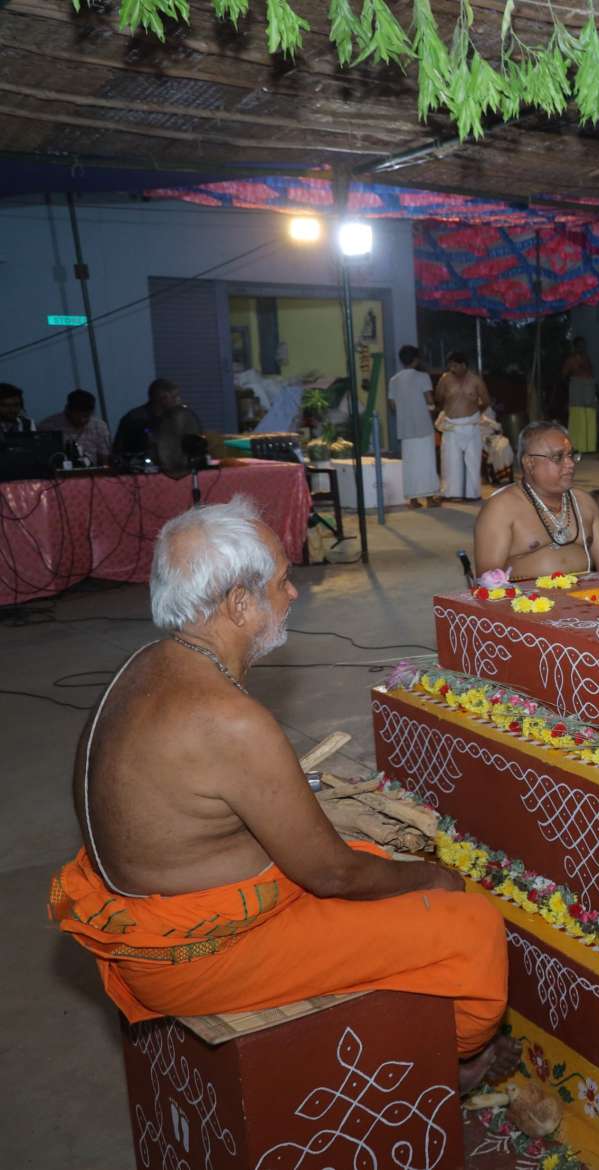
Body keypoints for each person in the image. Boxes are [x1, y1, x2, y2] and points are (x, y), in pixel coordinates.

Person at [47, 500, 513, 1086]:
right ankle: (456, 1063)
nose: (293, 594)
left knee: (381, 865)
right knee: (467, 923)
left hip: (161, 907)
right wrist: (435, 880)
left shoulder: (143, 665)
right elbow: (331, 876)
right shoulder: (229, 719)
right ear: (240, 604)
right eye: (282, 581)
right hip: (202, 953)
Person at [473, 421, 599, 580]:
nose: (570, 464)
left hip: (587, 598)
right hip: (527, 602)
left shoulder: (584, 502)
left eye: (571, 455)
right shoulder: (501, 508)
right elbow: (488, 581)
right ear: (529, 463)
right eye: (558, 457)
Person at [387, 346, 442, 508]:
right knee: (427, 463)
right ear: (416, 359)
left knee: (410, 464)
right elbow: (430, 400)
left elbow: (392, 406)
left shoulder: (394, 380)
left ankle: (413, 500)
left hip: (405, 428)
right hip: (423, 426)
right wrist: (432, 410)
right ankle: (430, 498)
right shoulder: (423, 376)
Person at [114, 378, 206, 471]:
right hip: (138, 473)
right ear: (164, 398)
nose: (179, 401)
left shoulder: (173, 418)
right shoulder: (136, 419)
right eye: (176, 397)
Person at [434, 352, 491, 501]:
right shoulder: (445, 379)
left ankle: (473, 494)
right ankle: (450, 493)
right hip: (451, 425)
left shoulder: (476, 380)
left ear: (463, 365)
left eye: (454, 365)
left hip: (470, 424)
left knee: (473, 460)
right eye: (450, 365)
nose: (451, 368)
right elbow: (438, 398)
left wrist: (475, 412)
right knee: (450, 460)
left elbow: (485, 400)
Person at [41, 388, 112, 465]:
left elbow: (105, 459)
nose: (82, 420)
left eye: (86, 416)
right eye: (78, 416)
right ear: (68, 410)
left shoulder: (99, 427)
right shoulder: (49, 426)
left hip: (94, 472)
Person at [560, 337, 598, 454]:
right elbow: (563, 375)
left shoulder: (586, 358)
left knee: (590, 415)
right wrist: (572, 386)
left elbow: (591, 373)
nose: (582, 347)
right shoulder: (571, 359)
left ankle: (590, 447)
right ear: (575, 346)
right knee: (578, 416)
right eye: (580, 345)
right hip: (577, 388)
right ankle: (577, 446)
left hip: (589, 387)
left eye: (583, 345)